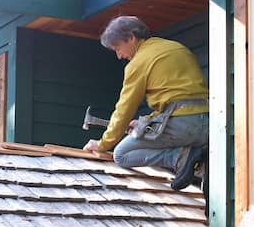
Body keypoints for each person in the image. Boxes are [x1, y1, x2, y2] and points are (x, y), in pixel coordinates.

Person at [83, 16, 209, 190]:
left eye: (118, 48)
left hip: (183, 127)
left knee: (121, 154)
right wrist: (145, 123)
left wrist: (103, 144)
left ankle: (181, 158)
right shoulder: (177, 48)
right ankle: (197, 162)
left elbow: (124, 109)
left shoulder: (138, 63)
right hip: (209, 124)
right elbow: (179, 96)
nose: (119, 56)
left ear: (132, 37)